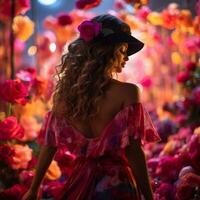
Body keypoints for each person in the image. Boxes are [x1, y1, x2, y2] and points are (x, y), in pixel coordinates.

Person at [22, 14, 161, 200]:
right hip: (116, 186)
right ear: (109, 51)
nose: (126, 58)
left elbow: (49, 146)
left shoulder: (63, 98)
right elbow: (134, 151)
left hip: (79, 184)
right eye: (123, 49)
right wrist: (149, 197)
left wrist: (33, 190)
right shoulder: (128, 92)